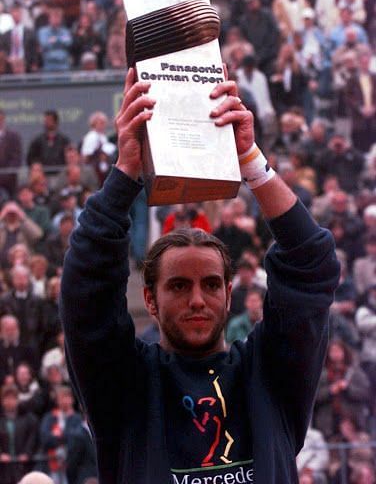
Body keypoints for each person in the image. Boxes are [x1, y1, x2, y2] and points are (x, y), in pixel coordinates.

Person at [60, 67, 340, 483]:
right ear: (150, 300)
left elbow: (312, 260)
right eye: (178, 285)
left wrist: (251, 162)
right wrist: (126, 170)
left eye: (211, 284)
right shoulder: (126, 385)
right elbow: (85, 289)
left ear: (229, 293)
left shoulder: (270, 375)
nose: (196, 299)